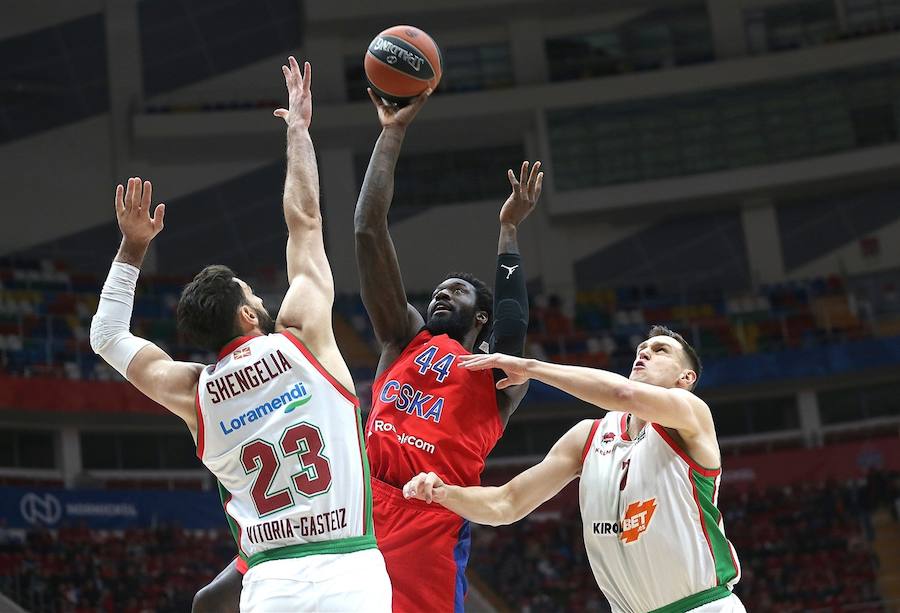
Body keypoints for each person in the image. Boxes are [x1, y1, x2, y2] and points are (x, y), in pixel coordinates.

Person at [90, 58, 391, 613]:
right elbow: (304, 219)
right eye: (255, 296)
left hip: (270, 588)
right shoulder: (303, 337)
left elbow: (106, 335)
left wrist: (132, 249)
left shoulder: (193, 391)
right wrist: (298, 132)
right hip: (352, 572)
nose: (263, 300)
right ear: (249, 316)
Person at [404, 326, 744, 613]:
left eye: (660, 350)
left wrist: (531, 368)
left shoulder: (691, 414)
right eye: (642, 348)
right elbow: (505, 504)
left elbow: (622, 393)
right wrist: (444, 492)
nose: (644, 353)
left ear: (686, 377)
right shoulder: (588, 436)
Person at [354, 87, 540, 612]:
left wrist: (508, 229)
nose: (441, 293)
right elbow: (368, 230)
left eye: (457, 291)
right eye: (438, 288)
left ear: (479, 317)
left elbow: (513, 321)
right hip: (362, 502)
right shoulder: (403, 340)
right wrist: (391, 133)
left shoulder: (495, 373)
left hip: (431, 519)